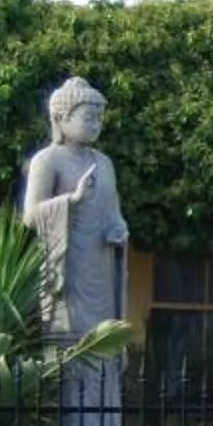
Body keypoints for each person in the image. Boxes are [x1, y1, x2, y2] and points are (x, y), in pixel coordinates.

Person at [21, 75, 128, 337]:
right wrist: (72, 200)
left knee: (102, 338)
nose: (95, 125)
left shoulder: (104, 163)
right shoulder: (46, 161)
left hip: (100, 266)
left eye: (99, 119)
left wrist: (118, 229)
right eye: (88, 118)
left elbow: (114, 214)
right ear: (61, 120)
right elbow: (30, 217)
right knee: (67, 341)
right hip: (66, 269)